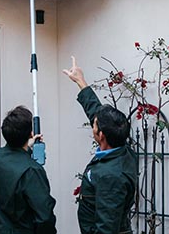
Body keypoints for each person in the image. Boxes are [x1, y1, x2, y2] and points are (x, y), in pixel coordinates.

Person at [63, 57, 138, 234]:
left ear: (101, 134)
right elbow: (95, 112)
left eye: (94, 124)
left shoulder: (111, 177)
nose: (92, 124)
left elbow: (106, 228)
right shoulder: (120, 148)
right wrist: (80, 81)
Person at [0, 106, 57, 234]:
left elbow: (11, 159)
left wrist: (26, 147)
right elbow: (44, 218)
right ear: (30, 134)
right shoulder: (31, 170)